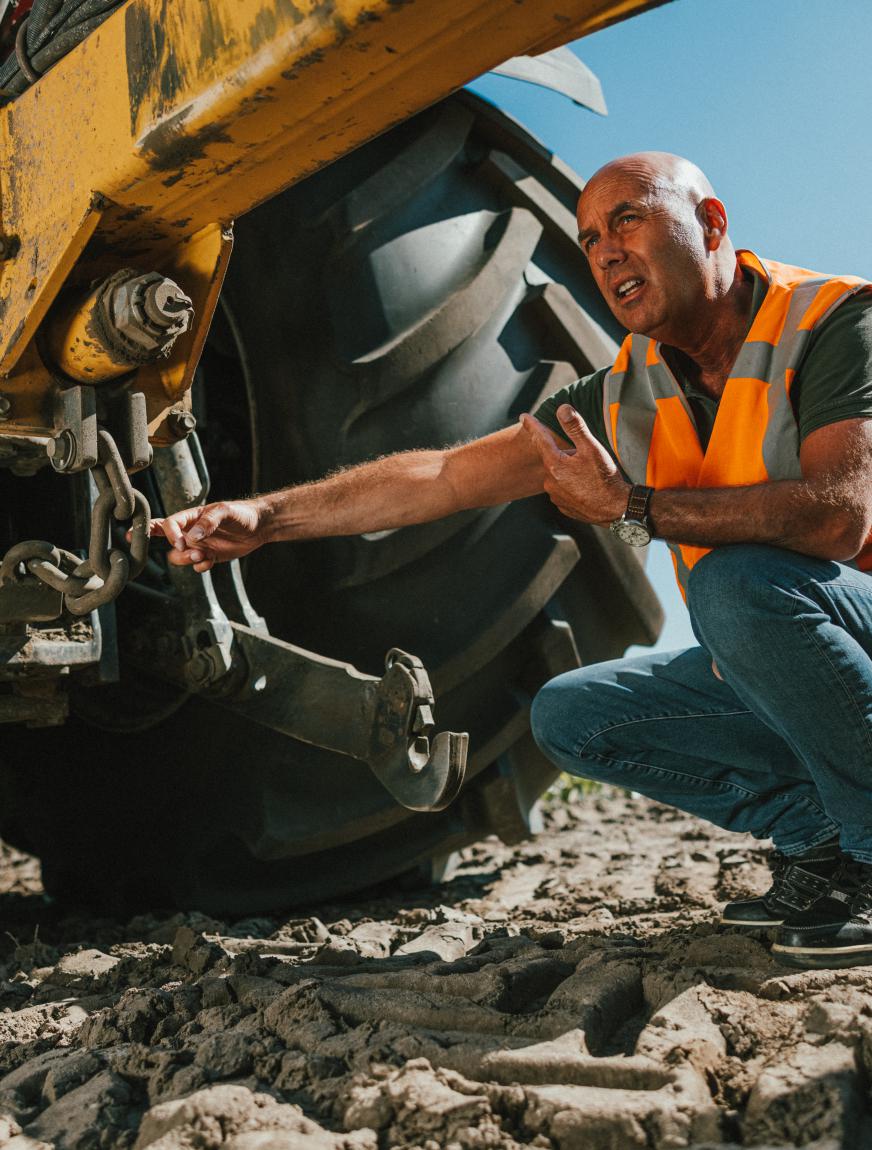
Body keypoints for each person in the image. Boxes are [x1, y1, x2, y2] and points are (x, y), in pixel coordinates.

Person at [151, 152, 872, 970]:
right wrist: (266, 518)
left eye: (628, 219)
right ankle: (826, 840)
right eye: (589, 235)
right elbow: (445, 476)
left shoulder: (835, 320)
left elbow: (838, 519)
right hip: (788, 651)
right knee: (572, 713)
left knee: (735, 585)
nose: (604, 252)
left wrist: (632, 508)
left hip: (852, 630)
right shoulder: (626, 392)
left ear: (710, 225)